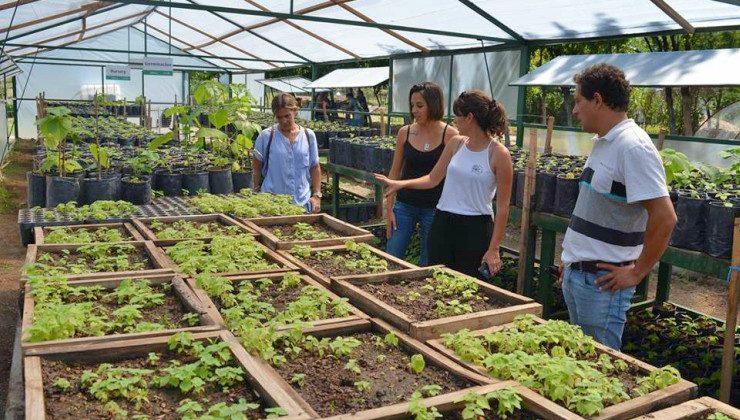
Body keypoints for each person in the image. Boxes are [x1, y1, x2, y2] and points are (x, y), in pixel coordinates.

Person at [559, 63, 677, 350]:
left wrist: (637, 272)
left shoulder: (633, 147)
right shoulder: (604, 142)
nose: (575, 111)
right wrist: (572, 259)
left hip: (602, 285)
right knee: (579, 365)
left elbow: (665, 217)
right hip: (581, 275)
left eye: (578, 101)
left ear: (597, 100)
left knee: (599, 371)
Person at [376, 90, 512, 278]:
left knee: (469, 286)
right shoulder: (456, 143)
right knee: (436, 281)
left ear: (470, 117)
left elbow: (504, 207)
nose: (454, 120)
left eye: (457, 115)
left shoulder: (498, 154)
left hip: (475, 228)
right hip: (443, 222)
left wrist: (494, 249)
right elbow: (432, 179)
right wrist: (400, 184)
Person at [383, 82, 458, 266]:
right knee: (392, 255)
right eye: (412, 105)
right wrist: (389, 210)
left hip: (434, 207)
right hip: (404, 205)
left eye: (420, 105)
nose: (414, 110)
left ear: (433, 105)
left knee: (428, 261)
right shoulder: (405, 132)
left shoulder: (450, 135)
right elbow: (394, 173)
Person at [252, 93, 322, 213]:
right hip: (271, 204)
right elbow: (256, 168)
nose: (284, 121)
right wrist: (255, 193)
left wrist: (316, 196)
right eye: (279, 117)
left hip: (302, 203)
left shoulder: (308, 135)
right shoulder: (266, 136)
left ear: (295, 111)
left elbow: (315, 167)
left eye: (287, 116)